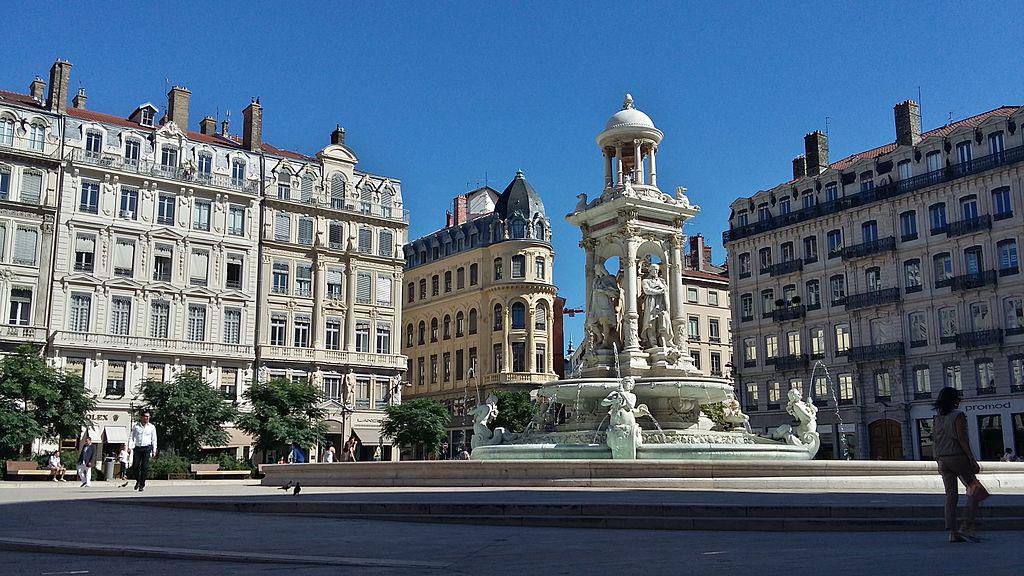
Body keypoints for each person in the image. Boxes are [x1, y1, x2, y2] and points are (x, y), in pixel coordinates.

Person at [932, 387, 982, 542]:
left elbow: (935, 440)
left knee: (951, 495)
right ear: (954, 400)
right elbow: (962, 438)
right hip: (957, 457)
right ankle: (967, 525)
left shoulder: (937, 418)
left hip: (942, 460)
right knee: (976, 490)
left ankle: (952, 532)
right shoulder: (958, 415)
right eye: (958, 398)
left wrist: (937, 459)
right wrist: (971, 458)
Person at [128, 409, 158, 492]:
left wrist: (154, 450)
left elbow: (154, 439)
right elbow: (132, 437)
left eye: (148, 417)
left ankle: (142, 484)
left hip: (147, 448)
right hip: (138, 448)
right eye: (145, 416)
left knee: (145, 467)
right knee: (135, 466)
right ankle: (138, 480)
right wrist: (130, 447)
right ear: (141, 417)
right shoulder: (136, 426)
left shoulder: (151, 427)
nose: (147, 418)